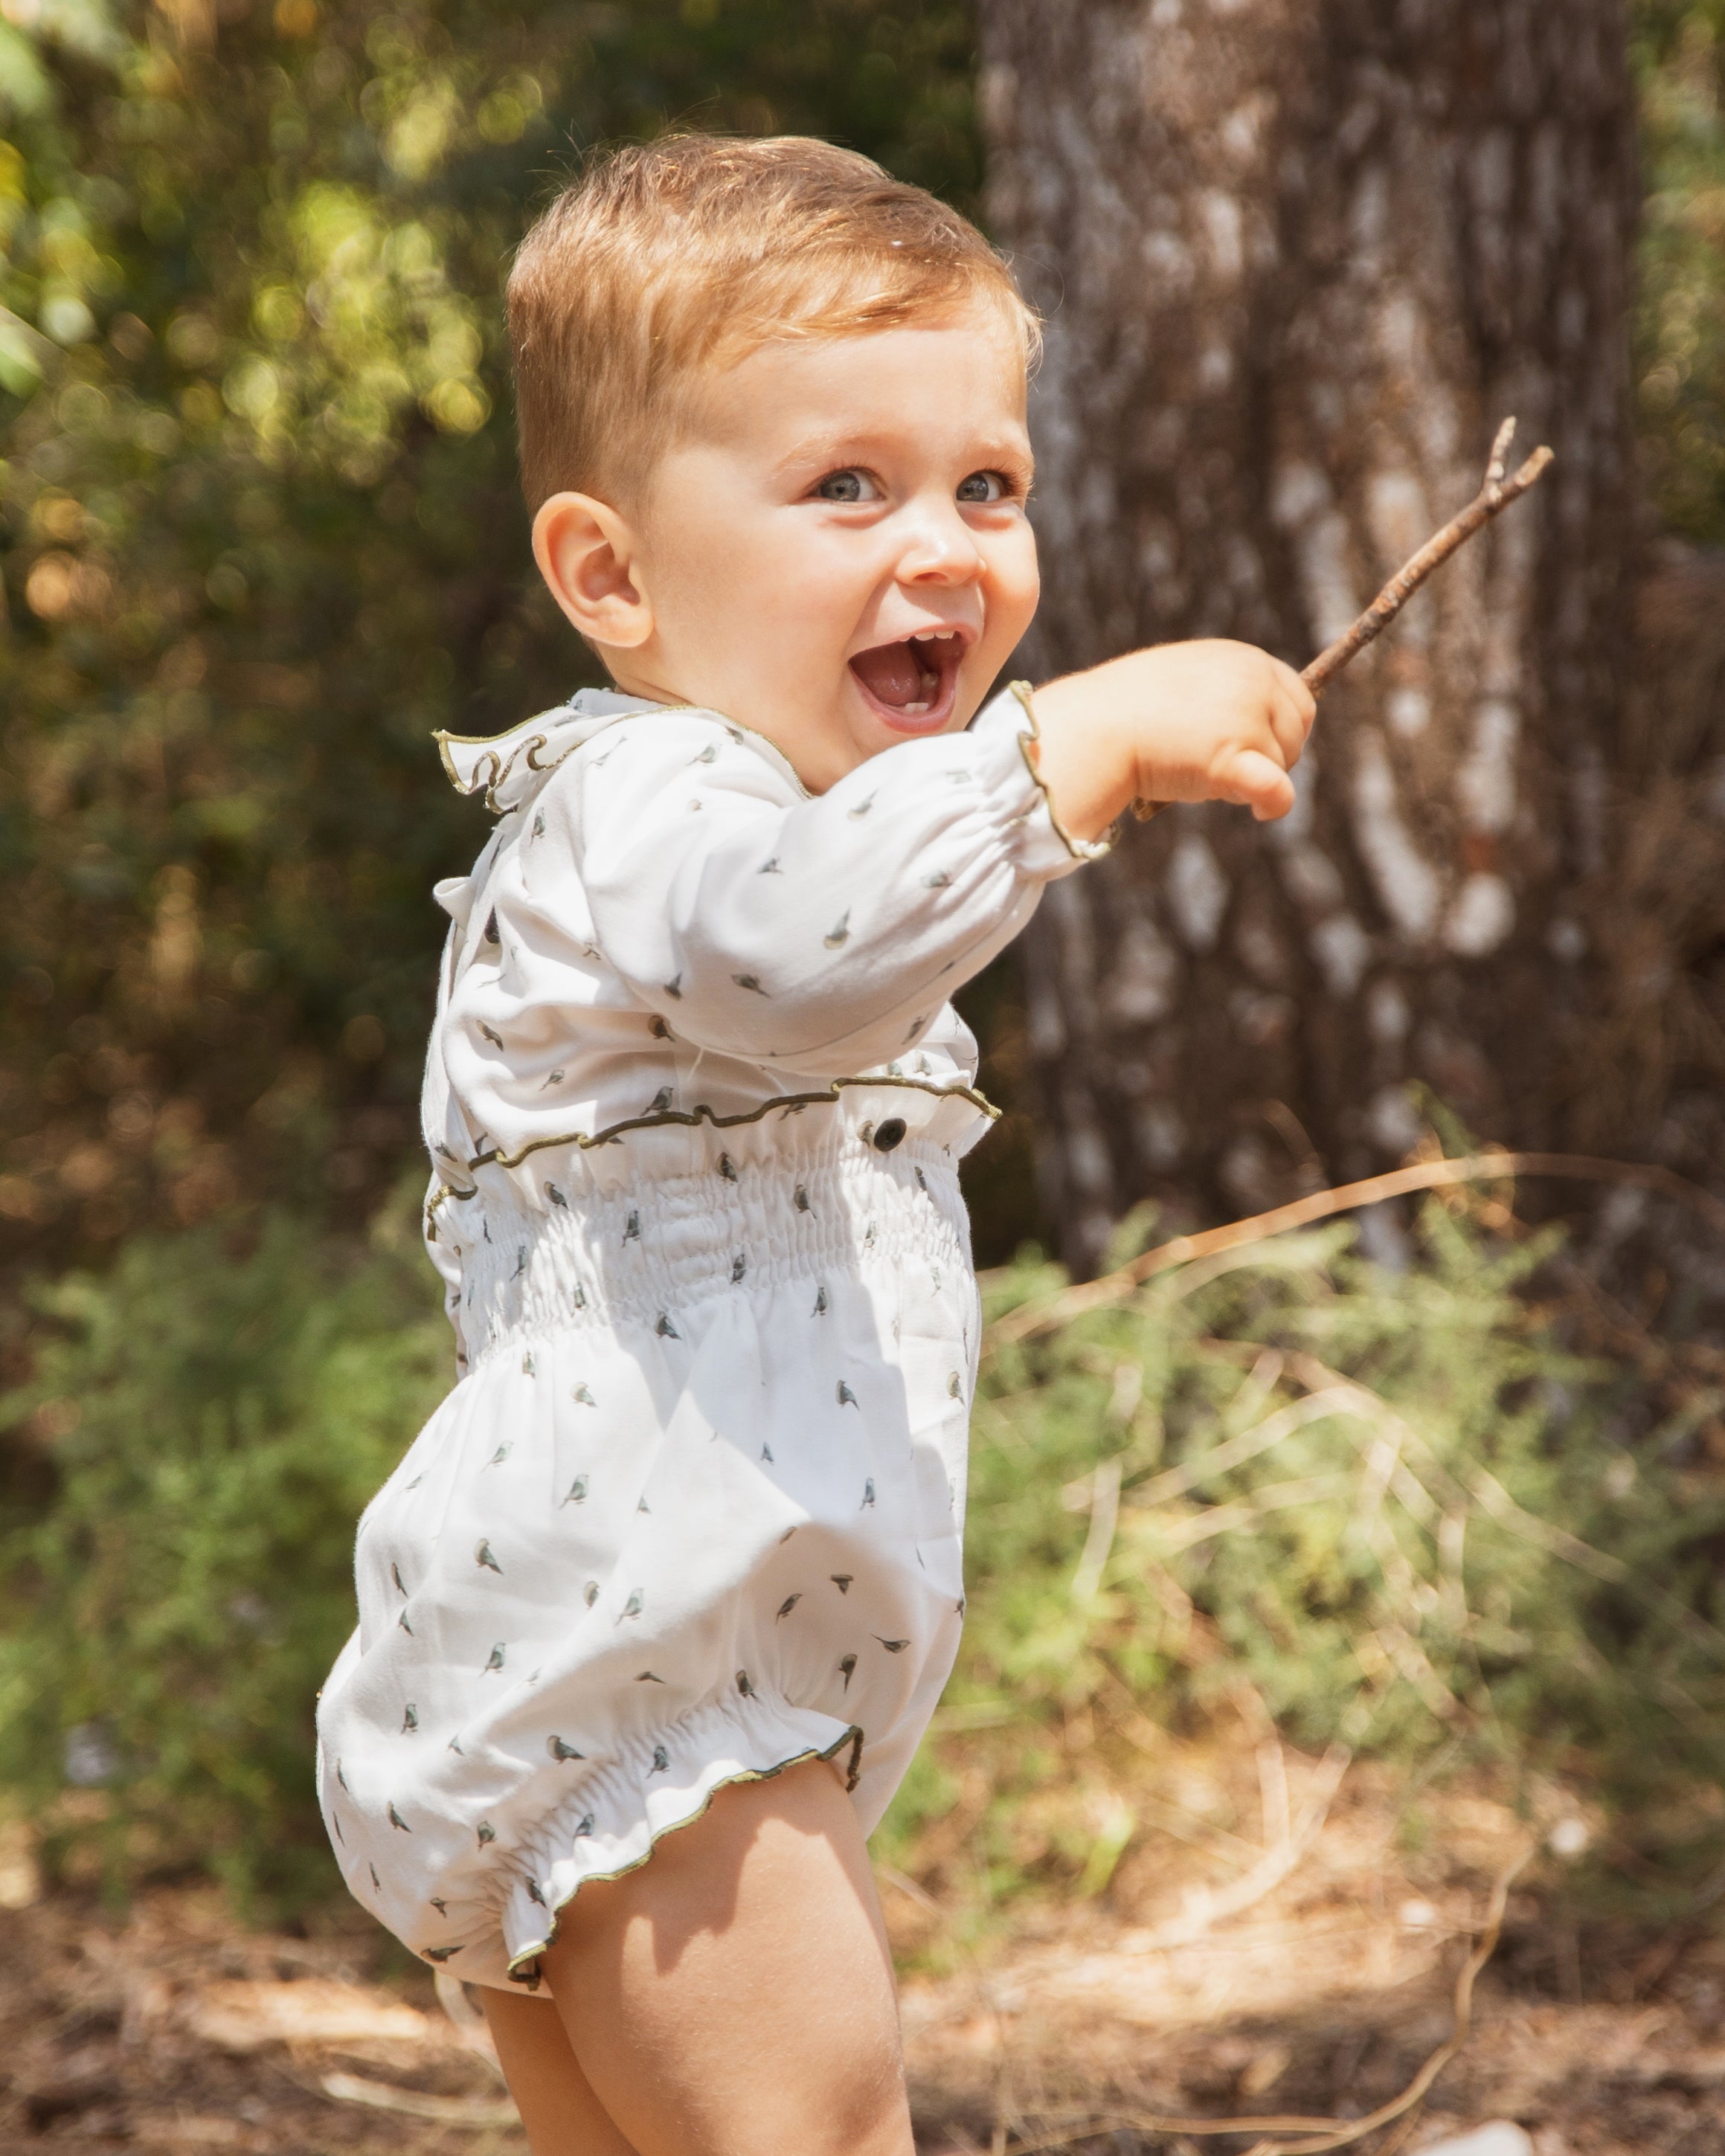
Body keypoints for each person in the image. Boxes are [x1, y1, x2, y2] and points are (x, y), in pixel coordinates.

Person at [314, 133, 1314, 2156]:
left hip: (636, 1678)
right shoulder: (659, 812)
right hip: (666, 1687)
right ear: (611, 574)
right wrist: (1080, 741)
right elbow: (800, 951)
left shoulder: (738, 818)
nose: (942, 544)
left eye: (987, 484)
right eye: (844, 485)